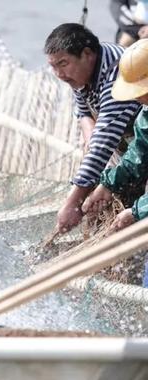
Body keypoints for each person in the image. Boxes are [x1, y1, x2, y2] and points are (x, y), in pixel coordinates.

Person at [45, 23, 143, 234]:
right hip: (132, 153)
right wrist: (92, 134)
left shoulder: (120, 72)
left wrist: (73, 202)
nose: (59, 74)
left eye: (63, 64)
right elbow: (83, 112)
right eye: (53, 67)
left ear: (87, 54)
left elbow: (105, 143)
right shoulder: (83, 73)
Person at [82, 39, 148, 285]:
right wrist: (107, 185)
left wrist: (138, 210)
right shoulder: (146, 114)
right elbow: (137, 155)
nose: (139, 98)